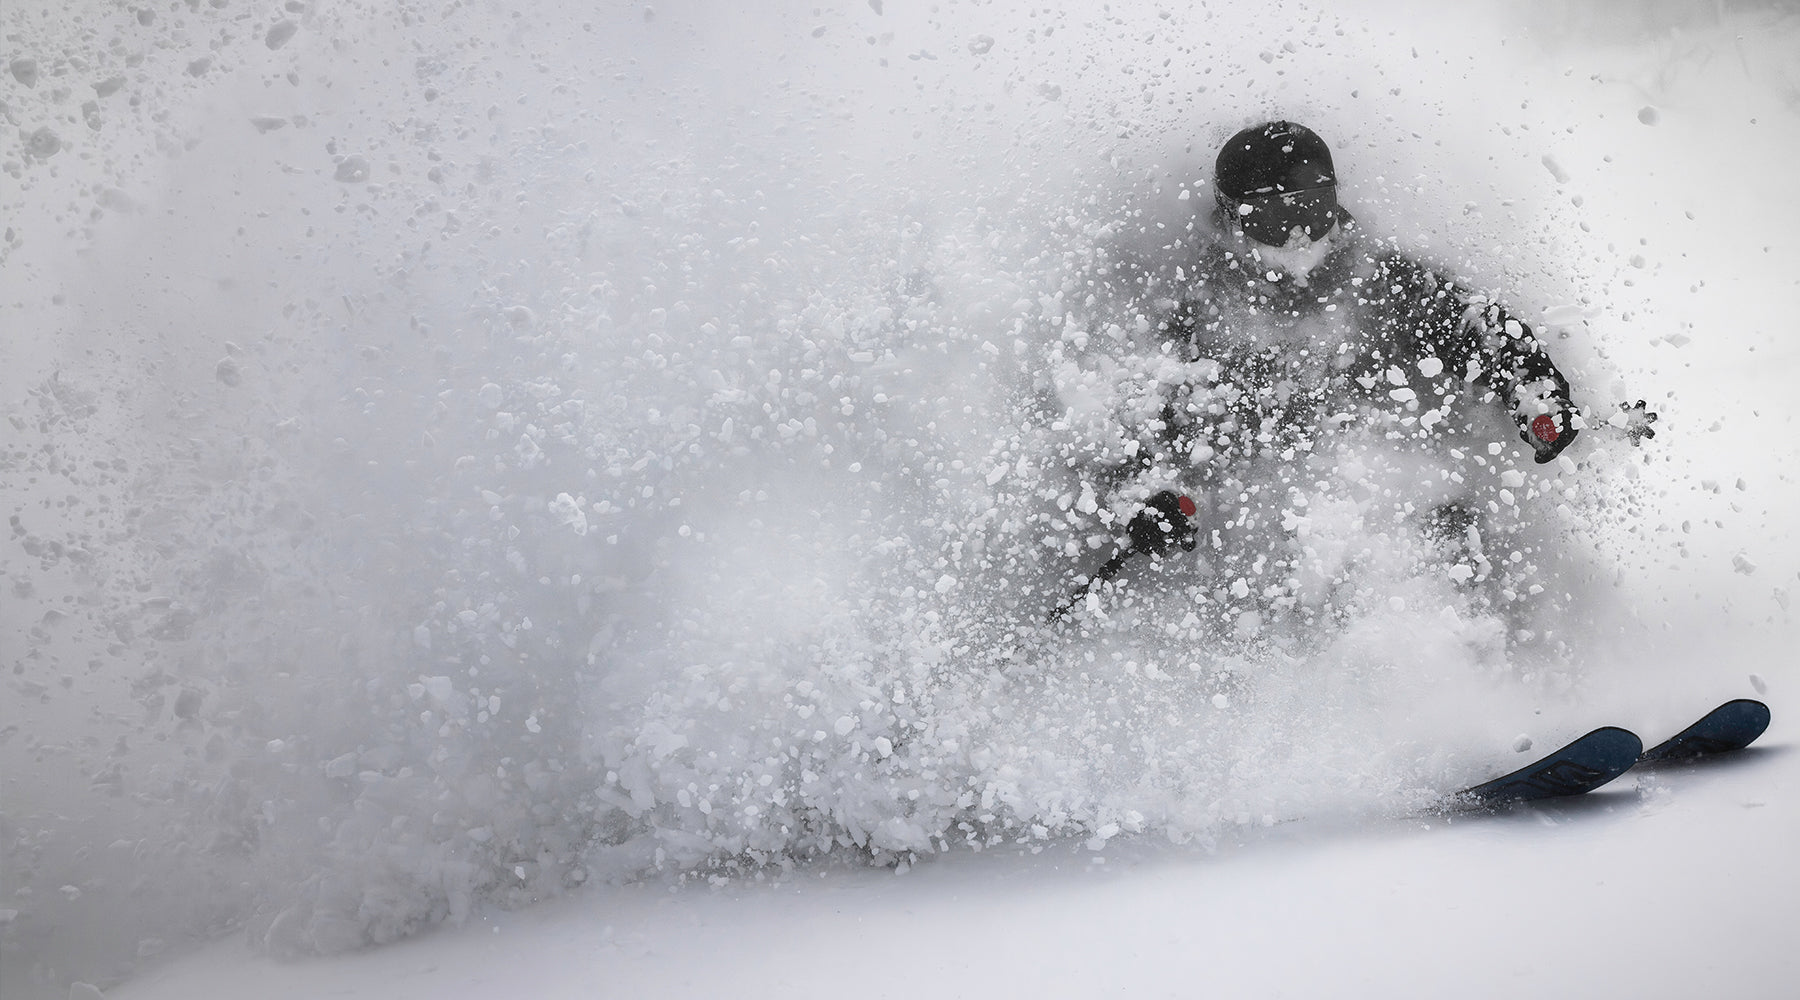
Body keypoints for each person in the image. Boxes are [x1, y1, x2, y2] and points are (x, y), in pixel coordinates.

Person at [1052, 120, 1652, 626]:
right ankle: (1314, 715)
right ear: (1232, 220)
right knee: (1295, 548)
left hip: (1393, 495)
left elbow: (1484, 329)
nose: (1294, 236)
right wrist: (1147, 496)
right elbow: (1138, 423)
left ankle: (1494, 691)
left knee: (1441, 519)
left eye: (1312, 210)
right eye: (1269, 219)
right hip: (1264, 528)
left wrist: (1534, 395)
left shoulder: (1386, 283)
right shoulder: (1196, 313)